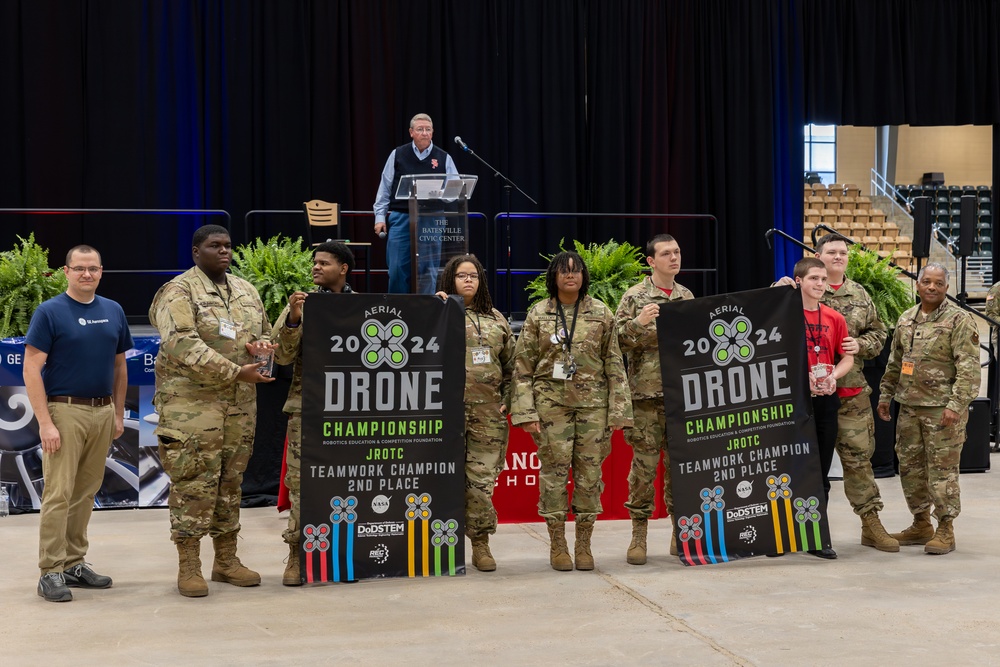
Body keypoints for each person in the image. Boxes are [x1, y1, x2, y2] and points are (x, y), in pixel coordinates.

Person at [149, 224, 275, 597]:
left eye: (228, 246)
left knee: (231, 484)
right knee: (193, 484)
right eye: (214, 246)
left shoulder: (246, 290)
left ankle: (226, 561)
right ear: (195, 252)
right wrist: (236, 371)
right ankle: (189, 565)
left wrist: (262, 347)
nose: (224, 251)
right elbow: (180, 343)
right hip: (191, 407)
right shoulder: (178, 291)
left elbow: (262, 332)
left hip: (239, 408)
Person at [23, 245, 133, 602]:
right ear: (66, 272)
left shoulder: (113, 310)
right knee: (59, 493)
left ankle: (74, 562)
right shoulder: (50, 312)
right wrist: (45, 422)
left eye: (93, 268)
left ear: (102, 271)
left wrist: (117, 413)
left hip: (102, 412)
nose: (87, 274)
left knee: (86, 492)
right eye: (80, 268)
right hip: (64, 411)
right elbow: (31, 368)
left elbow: (119, 367)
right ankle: (50, 571)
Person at [511, 251, 632, 572]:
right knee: (553, 475)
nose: (570, 276)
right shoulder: (539, 314)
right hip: (552, 408)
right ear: (554, 276)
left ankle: (583, 543)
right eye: (564, 271)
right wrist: (526, 412)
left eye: (576, 270)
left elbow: (615, 364)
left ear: (583, 276)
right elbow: (522, 367)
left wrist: (619, 410)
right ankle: (558, 544)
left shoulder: (601, 312)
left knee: (590, 477)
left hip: (594, 408)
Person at [777, 234, 897, 552]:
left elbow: (879, 331)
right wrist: (776, 292)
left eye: (843, 253)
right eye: (832, 252)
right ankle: (800, 531)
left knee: (858, 461)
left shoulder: (858, 293)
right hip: (804, 397)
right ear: (818, 256)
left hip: (850, 391)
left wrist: (861, 345)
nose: (839, 257)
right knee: (802, 465)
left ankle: (871, 525)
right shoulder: (795, 290)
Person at [877, 263, 980, 555]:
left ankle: (945, 527)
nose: (931, 287)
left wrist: (956, 405)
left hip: (942, 411)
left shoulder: (959, 320)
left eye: (938, 283)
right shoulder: (906, 318)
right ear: (918, 284)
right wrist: (886, 394)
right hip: (908, 408)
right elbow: (895, 361)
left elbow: (969, 370)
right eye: (926, 281)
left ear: (947, 288)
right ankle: (921, 523)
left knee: (942, 471)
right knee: (910, 469)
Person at [272, 241, 355, 586]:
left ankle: (347, 557)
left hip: (353, 414)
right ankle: (296, 556)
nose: (316, 267)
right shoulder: (302, 304)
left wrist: (437, 305)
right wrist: (292, 319)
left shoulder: (364, 306)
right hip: (310, 411)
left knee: (352, 485)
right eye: (314, 263)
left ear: (344, 268)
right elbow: (281, 357)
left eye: (324, 262)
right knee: (303, 486)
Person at [614, 234, 694, 565]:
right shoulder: (635, 297)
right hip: (645, 398)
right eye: (666, 253)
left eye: (676, 251)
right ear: (651, 261)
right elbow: (616, 341)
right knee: (644, 470)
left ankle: (681, 533)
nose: (673, 258)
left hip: (680, 398)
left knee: (680, 470)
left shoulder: (686, 296)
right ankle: (639, 534)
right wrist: (639, 322)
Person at [434, 254, 515, 572]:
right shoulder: (435, 312)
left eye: (474, 276)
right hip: (443, 414)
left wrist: (509, 398)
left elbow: (513, 367)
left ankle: (480, 543)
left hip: (487, 416)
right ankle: (438, 545)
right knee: (440, 481)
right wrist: (433, 310)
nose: (468, 280)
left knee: (480, 484)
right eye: (461, 275)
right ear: (449, 280)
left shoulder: (496, 319)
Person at [794, 256, 853, 559]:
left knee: (820, 470)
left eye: (822, 279)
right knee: (790, 469)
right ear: (798, 282)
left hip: (826, 400)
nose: (819, 284)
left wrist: (833, 376)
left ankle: (816, 535)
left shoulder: (834, 317)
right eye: (813, 279)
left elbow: (847, 357)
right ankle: (782, 537)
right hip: (794, 402)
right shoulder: (785, 315)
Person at [373, 113, 459, 294]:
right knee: (397, 269)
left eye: (428, 129)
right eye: (420, 129)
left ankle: (425, 314)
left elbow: (455, 189)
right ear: (411, 132)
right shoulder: (398, 154)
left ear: (433, 132)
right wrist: (379, 217)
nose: (425, 133)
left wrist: (440, 193)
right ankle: (397, 311)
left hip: (432, 218)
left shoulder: (444, 157)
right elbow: (385, 188)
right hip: (402, 217)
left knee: (428, 270)